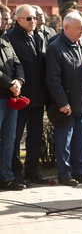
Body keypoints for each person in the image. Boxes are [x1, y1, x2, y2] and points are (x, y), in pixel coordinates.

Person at [45, 12, 82, 186]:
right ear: (66, 28)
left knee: (80, 140)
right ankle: (64, 174)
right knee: (64, 141)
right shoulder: (55, 48)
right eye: (79, 28)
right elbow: (52, 79)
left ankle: (78, 172)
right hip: (65, 104)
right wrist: (62, 102)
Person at [4, 4, 48, 186]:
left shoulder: (38, 36)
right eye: (28, 18)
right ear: (18, 20)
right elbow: (13, 65)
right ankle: (16, 172)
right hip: (19, 96)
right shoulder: (9, 38)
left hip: (37, 95)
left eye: (35, 18)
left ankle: (32, 170)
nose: (33, 21)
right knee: (15, 137)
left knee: (35, 135)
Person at [0, 34, 25, 190]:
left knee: (9, 138)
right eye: (3, 18)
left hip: (10, 96)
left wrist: (19, 80)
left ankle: (6, 177)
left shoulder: (6, 40)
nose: (6, 21)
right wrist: (10, 83)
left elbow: (17, 63)